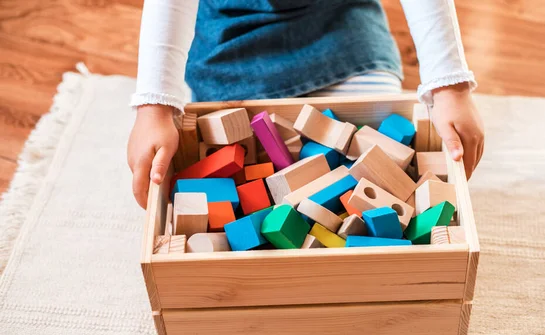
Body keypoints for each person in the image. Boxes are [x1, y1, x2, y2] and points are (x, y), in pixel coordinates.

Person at [127, 0, 485, 209]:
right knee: (231, 148)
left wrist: (449, 85)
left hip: (340, 24)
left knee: (381, 144)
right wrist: (155, 106)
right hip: (233, 36)